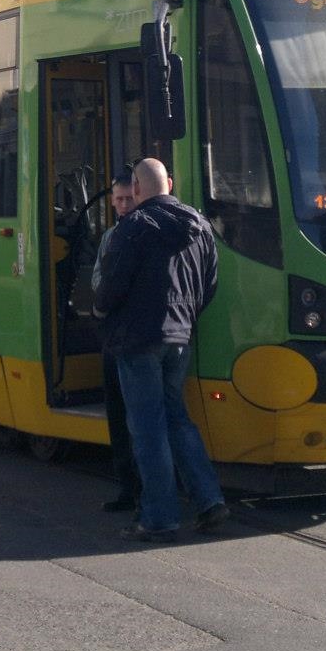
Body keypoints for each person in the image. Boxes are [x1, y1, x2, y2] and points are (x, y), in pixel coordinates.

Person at [94, 157, 228, 540]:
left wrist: (100, 310)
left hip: (137, 340)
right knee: (177, 418)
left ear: (136, 189)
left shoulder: (133, 227)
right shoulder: (199, 224)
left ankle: (159, 516)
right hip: (179, 338)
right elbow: (210, 283)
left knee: (147, 427)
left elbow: (112, 284)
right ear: (169, 182)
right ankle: (209, 500)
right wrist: (184, 317)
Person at [94, 175, 142, 514]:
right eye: (119, 199)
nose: (123, 205)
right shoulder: (110, 236)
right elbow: (98, 277)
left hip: (135, 337)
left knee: (139, 418)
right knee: (118, 414)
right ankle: (127, 487)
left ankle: (144, 491)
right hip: (114, 336)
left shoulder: (143, 232)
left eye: (129, 199)